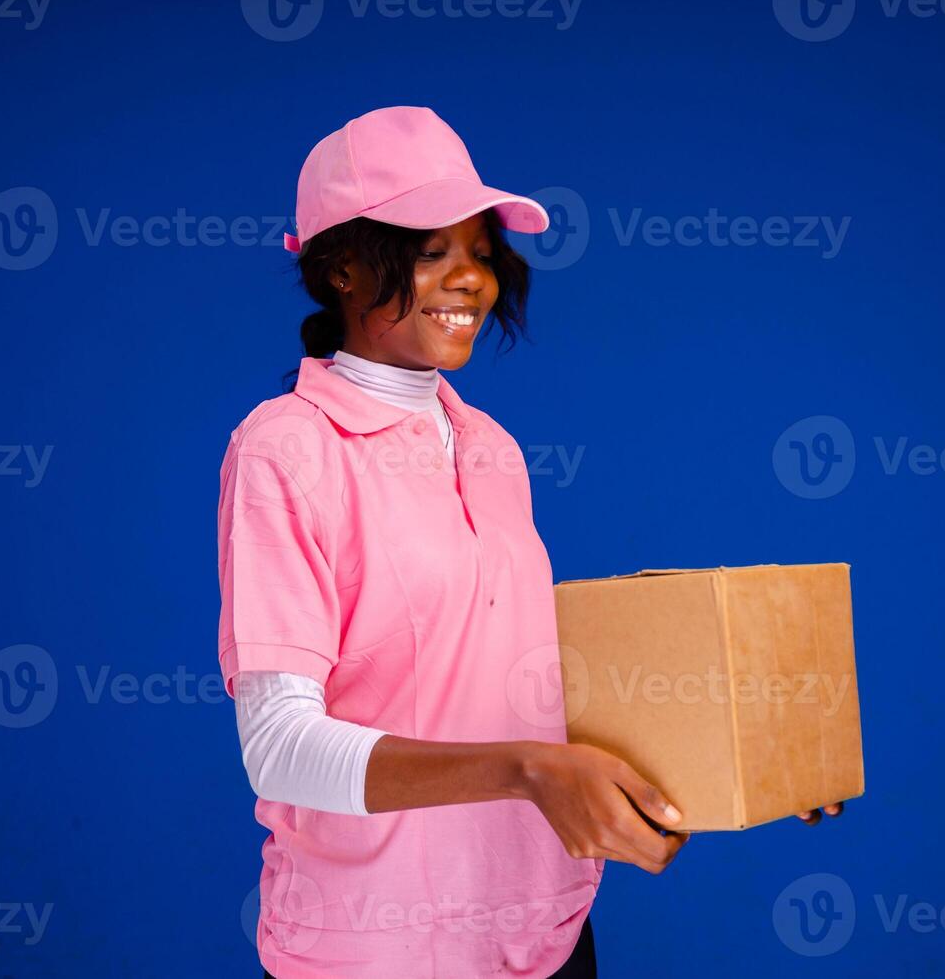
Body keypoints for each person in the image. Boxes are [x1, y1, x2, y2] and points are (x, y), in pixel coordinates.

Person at [217, 105, 842, 979]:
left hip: (542, 935)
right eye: (431, 250)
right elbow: (280, 747)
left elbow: (515, 681)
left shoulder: (493, 449)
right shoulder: (286, 447)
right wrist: (529, 772)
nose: (471, 279)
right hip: (379, 946)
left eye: (481, 252)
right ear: (343, 268)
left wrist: (744, 750)